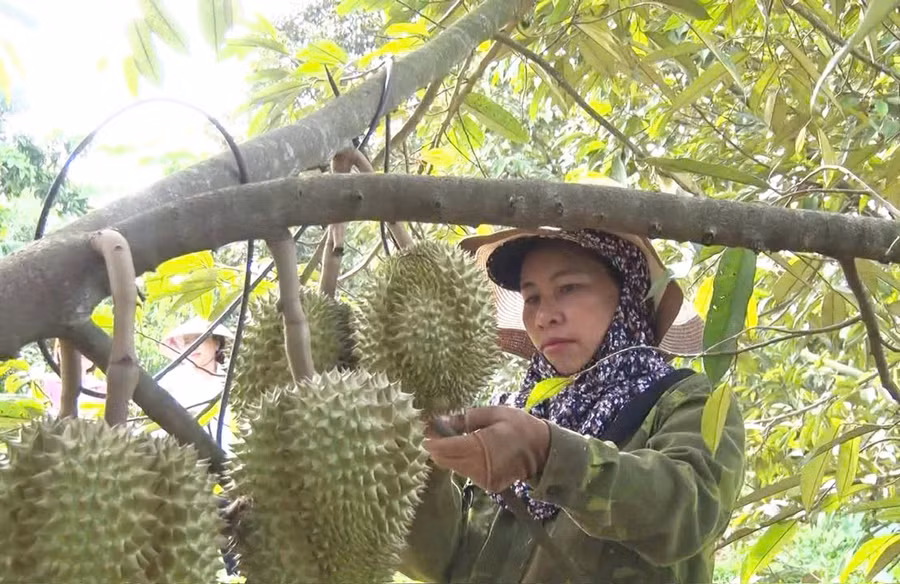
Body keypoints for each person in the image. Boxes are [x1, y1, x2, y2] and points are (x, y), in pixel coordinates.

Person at [400, 227, 746, 584]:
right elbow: (439, 563)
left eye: (568, 288)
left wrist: (549, 455)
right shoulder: (514, 415)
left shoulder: (691, 404)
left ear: (629, 294)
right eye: (531, 297)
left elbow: (687, 514)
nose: (543, 316)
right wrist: (422, 460)